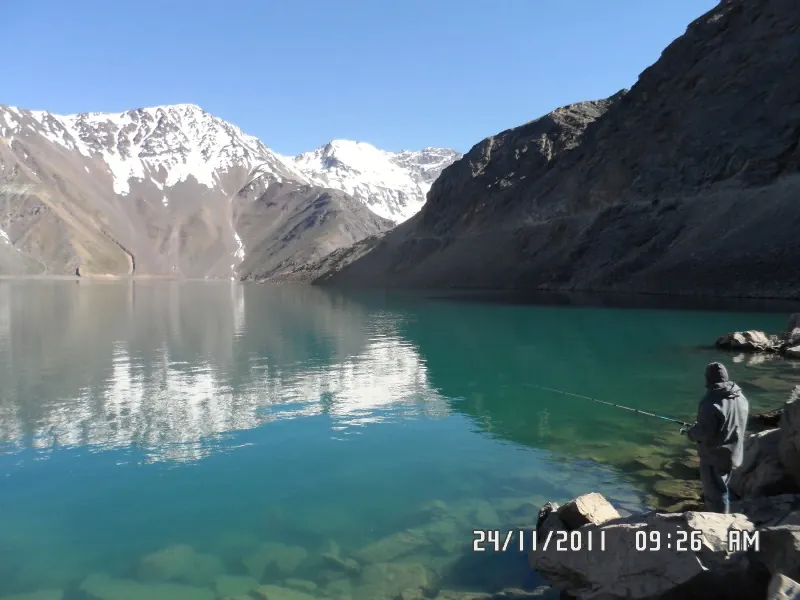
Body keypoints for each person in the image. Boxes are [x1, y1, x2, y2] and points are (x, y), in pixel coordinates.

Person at [682, 362, 749, 514]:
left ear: (709, 378)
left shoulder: (711, 401)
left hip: (714, 455)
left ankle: (718, 524)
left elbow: (704, 432)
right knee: (723, 486)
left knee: (715, 494)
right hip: (734, 452)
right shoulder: (740, 396)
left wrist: (691, 433)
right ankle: (725, 516)